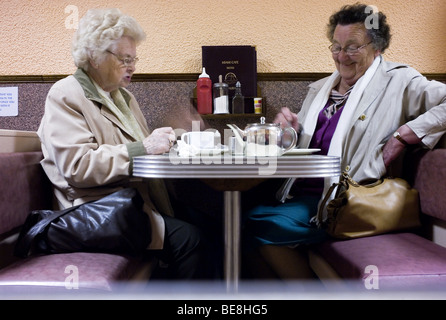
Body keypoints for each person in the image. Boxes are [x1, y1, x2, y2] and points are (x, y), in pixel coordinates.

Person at [242, 3, 446, 279]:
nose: (342, 56)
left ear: (377, 47)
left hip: (345, 200)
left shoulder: (399, 81)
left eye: (352, 47)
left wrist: (404, 134)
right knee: (239, 221)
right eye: (336, 47)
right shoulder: (321, 89)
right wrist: (287, 130)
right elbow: (305, 142)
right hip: (299, 193)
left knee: (256, 225)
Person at [37, 8, 208, 280]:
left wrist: (179, 134)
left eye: (134, 58)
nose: (133, 66)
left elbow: (144, 146)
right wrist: (145, 148)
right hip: (95, 214)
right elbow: (78, 166)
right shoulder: (65, 94)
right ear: (93, 55)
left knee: (209, 219)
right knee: (191, 239)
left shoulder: (123, 98)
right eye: (125, 58)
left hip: (131, 204)